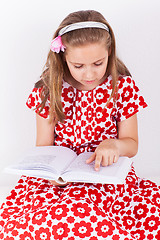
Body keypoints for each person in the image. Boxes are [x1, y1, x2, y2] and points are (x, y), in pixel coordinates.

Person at [0, 10, 160, 240]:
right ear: (63, 57)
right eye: (78, 65)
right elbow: (43, 147)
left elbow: (132, 144)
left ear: (109, 53)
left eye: (98, 63)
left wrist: (114, 145)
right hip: (59, 180)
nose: (89, 74)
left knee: (89, 216)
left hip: (104, 177)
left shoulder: (122, 85)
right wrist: (51, 175)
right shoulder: (49, 88)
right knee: (47, 221)